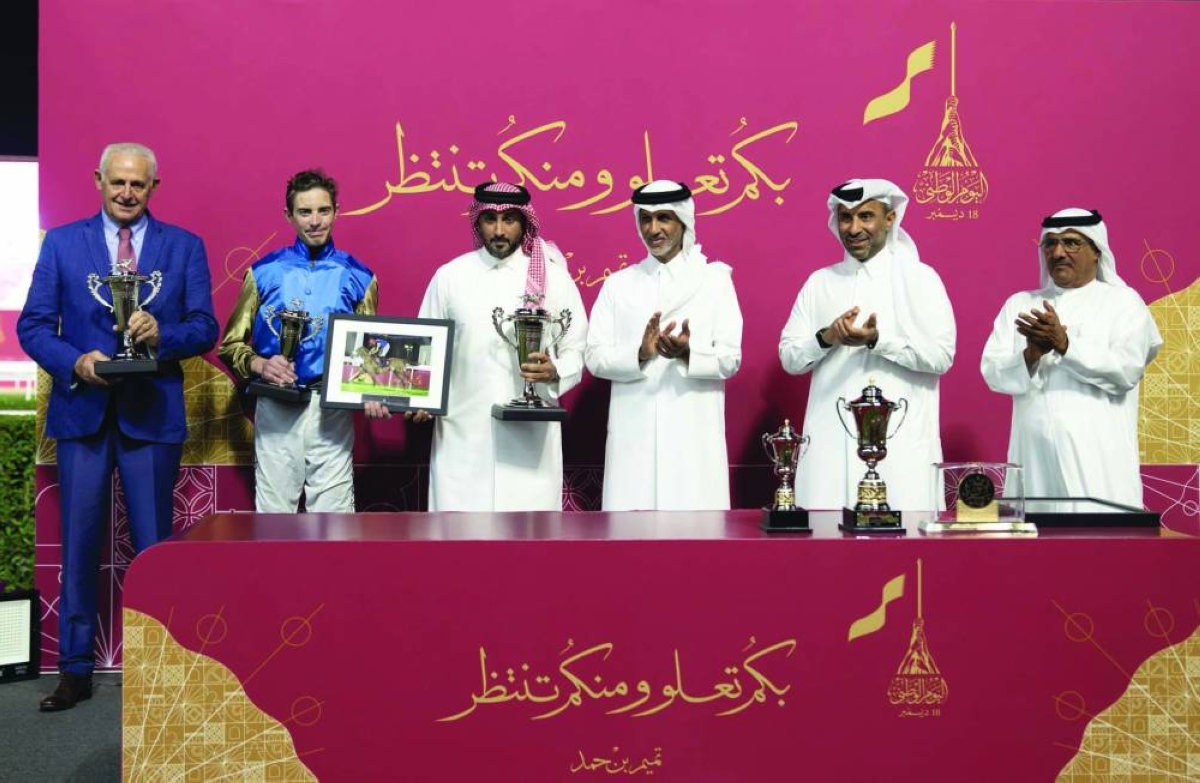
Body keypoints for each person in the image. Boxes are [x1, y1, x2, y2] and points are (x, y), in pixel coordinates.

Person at [17, 142, 218, 711]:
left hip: (151, 413)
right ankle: (75, 669)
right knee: (80, 545)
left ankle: (159, 666)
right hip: (82, 411)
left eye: (139, 184)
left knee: (153, 549)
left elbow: (204, 326)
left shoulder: (183, 247)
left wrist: (165, 334)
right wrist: (74, 361)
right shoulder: (61, 244)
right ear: (98, 180)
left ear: (155, 187)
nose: (127, 193)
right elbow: (33, 327)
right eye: (118, 183)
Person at [404, 182, 587, 510]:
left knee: (529, 549)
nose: (499, 230)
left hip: (530, 442)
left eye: (510, 220)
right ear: (477, 222)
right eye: (490, 219)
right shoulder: (450, 277)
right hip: (462, 441)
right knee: (459, 548)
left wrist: (554, 371)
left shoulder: (553, 279)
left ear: (525, 222)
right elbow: (424, 352)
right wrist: (417, 396)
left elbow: (578, 349)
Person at [778, 179, 955, 510]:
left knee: (903, 554)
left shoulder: (921, 280)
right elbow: (789, 357)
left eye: (866, 217)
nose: (854, 228)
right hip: (828, 451)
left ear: (889, 219)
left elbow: (941, 356)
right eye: (846, 218)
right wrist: (827, 337)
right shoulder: (820, 283)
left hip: (901, 453)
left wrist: (878, 340)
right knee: (823, 554)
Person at [218, 169, 379, 512]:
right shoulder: (263, 272)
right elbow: (230, 346)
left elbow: (368, 355)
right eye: (305, 212)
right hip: (276, 406)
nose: (315, 221)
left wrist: (375, 389)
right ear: (288, 216)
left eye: (323, 210)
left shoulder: (360, 277)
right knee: (274, 517)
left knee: (336, 520)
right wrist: (260, 364)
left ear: (337, 210)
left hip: (332, 409)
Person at [980, 208, 1162, 506]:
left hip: (1099, 463)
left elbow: (1124, 372)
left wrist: (1066, 346)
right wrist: (1031, 354)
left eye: (1072, 243)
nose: (1058, 252)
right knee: (1035, 546)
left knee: (1103, 545)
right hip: (1033, 461)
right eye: (1050, 243)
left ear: (1096, 251)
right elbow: (994, 374)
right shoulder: (1020, 304)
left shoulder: (1123, 303)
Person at [585, 180, 743, 510]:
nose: (653, 229)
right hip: (634, 439)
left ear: (683, 220)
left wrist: (689, 353)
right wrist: (640, 354)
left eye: (664, 219)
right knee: (629, 544)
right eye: (645, 219)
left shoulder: (714, 281)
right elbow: (594, 357)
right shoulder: (618, 285)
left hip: (693, 439)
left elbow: (730, 359)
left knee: (698, 543)